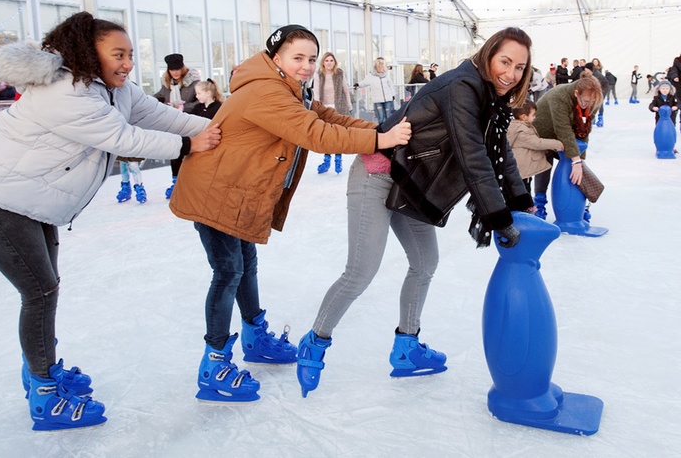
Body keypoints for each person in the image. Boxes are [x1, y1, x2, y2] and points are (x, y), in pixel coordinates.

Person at [0, 12, 222, 431]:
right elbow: (124, 139)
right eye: (118, 54)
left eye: (131, 54)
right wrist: (190, 144)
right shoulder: (67, 91)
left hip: (30, 201)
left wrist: (216, 127)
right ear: (88, 52)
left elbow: (157, 114)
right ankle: (44, 393)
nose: (128, 63)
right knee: (40, 292)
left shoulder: (111, 89)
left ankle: (39, 368)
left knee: (45, 290)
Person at [168, 24, 412, 404]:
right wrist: (379, 141)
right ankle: (213, 363)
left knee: (245, 264)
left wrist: (382, 127)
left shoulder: (289, 90)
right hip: (216, 193)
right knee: (228, 272)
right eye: (297, 58)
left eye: (312, 59)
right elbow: (315, 134)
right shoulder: (266, 91)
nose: (306, 66)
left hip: (238, 192)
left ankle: (254, 336)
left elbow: (329, 119)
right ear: (276, 57)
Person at [295, 27, 534, 398]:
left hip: (412, 184)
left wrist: (521, 201)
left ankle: (406, 347)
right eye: (505, 61)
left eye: (520, 67)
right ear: (488, 55)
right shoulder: (462, 87)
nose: (511, 73)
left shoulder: (489, 98)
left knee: (425, 263)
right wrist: (499, 217)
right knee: (360, 272)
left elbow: (498, 150)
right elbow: (473, 156)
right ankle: (315, 340)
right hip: (379, 173)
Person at [531, 70, 604, 221]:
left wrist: (580, 159)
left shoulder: (593, 101)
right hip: (544, 133)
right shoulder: (560, 96)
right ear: (576, 93)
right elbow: (563, 129)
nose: (587, 106)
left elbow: (584, 131)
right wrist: (576, 159)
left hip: (566, 135)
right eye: (584, 102)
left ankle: (577, 206)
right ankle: (539, 204)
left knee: (576, 169)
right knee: (544, 166)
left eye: (591, 103)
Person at [155, 53, 200, 199]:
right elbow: (160, 96)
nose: (175, 73)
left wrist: (184, 106)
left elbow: (200, 102)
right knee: (175, 151)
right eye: (172, 70)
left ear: (183, 68)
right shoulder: (167, 84)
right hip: (173, 123)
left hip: (189, 123)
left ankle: (191, 182)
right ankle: (176, 181)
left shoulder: (193, 83)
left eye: (177, 69)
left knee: (190, 153)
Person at [508, 99, 564, 193]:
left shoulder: (520, 126)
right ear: (524, 117)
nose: (535, 117)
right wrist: (557, 144)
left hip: (521, 170)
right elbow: (538, 143)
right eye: (533, 115)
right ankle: (524, 206)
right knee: (523, 190)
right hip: (521, 171)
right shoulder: (521, 131)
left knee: (523, 188)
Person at [313, 52, 353, 174]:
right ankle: (326, 160)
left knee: (338, 134)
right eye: (327, 60)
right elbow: (316, 93)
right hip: (325, 109)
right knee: (327, 135)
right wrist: (317, 108)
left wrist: (349, 105)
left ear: (334, 62)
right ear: (323, 62)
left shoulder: (339, 73)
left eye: (331, 60)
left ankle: (338, 159)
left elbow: (346, 90)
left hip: (339, 108)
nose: (329, 63)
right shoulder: (318, 75)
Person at [355, 57, 395, 123]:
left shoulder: (386, 75)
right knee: (381, 117)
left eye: (384, 67)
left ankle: (389, 129)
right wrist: (358, 84)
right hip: (377, 100)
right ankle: (381, 130)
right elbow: (365, 82)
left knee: (388, 116)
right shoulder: (371, 75)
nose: (384, 69)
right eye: (382, 67)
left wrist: (393, 95)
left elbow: (390, 85)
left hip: (388, 99)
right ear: (378, 67)